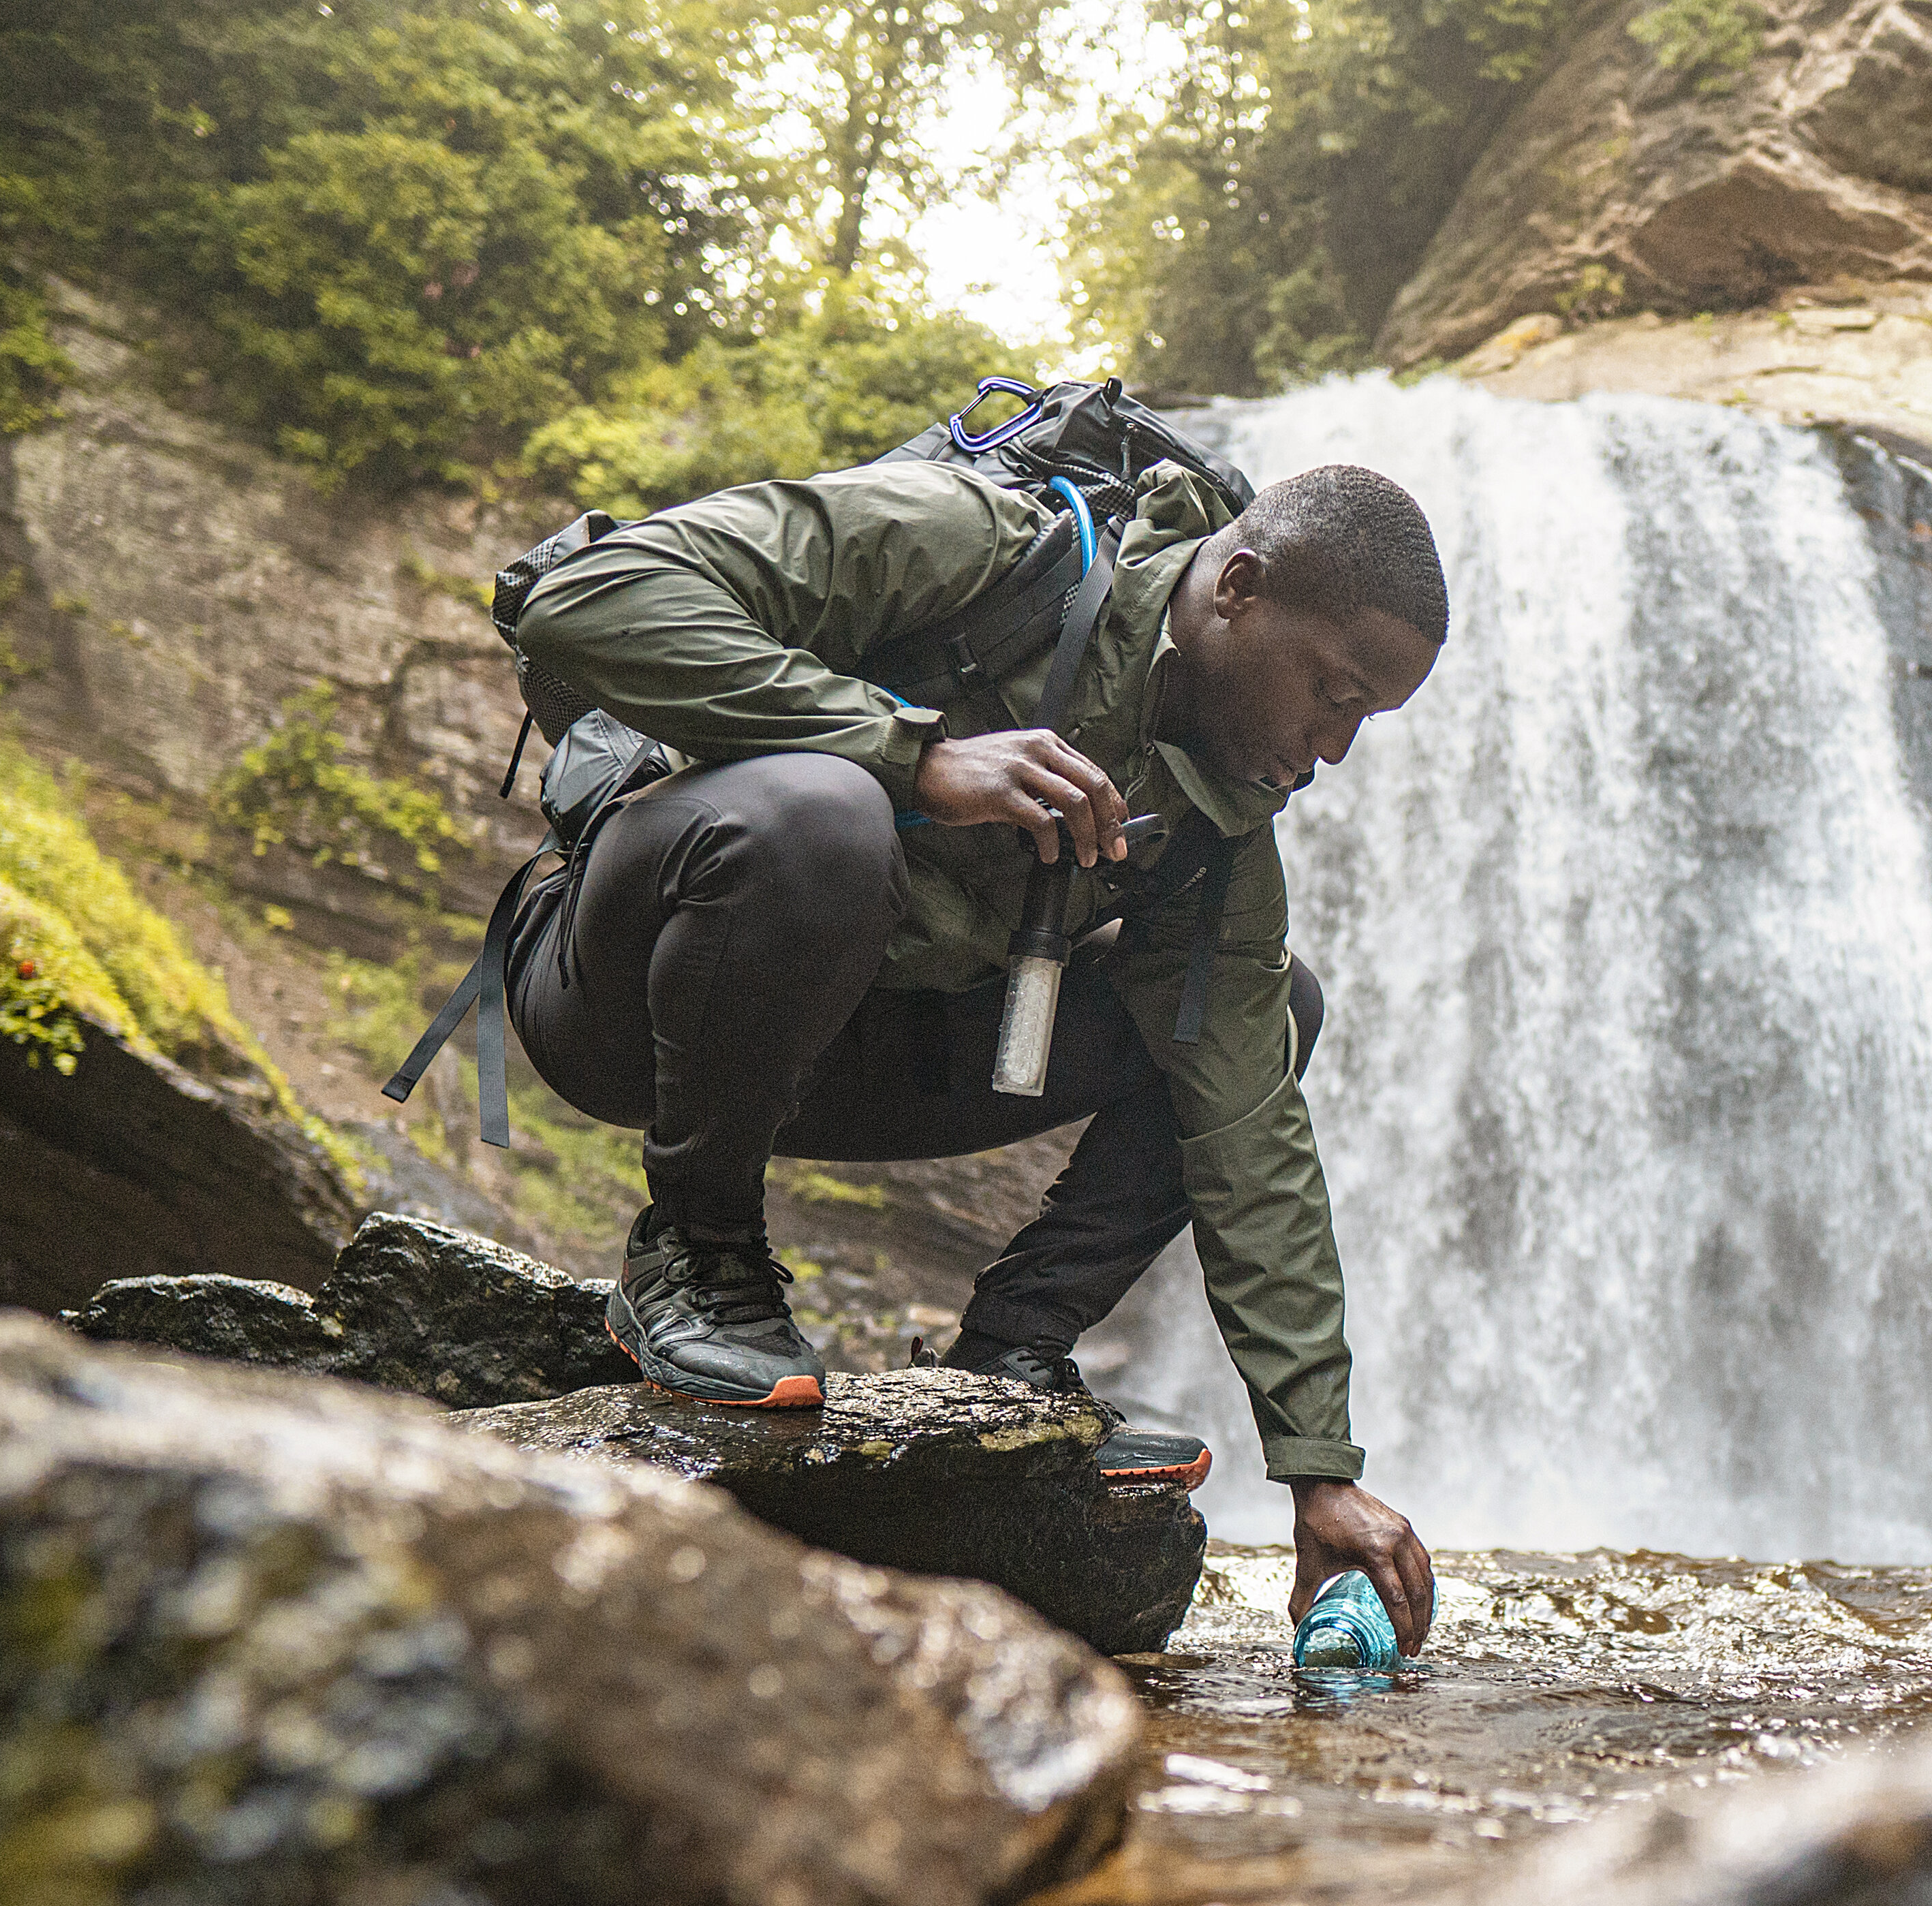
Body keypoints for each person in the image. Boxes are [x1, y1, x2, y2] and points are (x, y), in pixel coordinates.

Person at [502, 449, 1440, 1651]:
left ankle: (1010, 1358)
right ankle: (695, 1256)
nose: (1338, 745)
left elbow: (1248, 1129)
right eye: (1337, 693)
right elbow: (585, 599)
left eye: (1366, 717)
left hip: (849, 1062)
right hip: (621, 1001)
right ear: (1239, 587)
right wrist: (910, 753)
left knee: (1272, 1012)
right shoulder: (977, 544)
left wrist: (1318, 1471)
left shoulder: (1207, 828)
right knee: (821, 815)